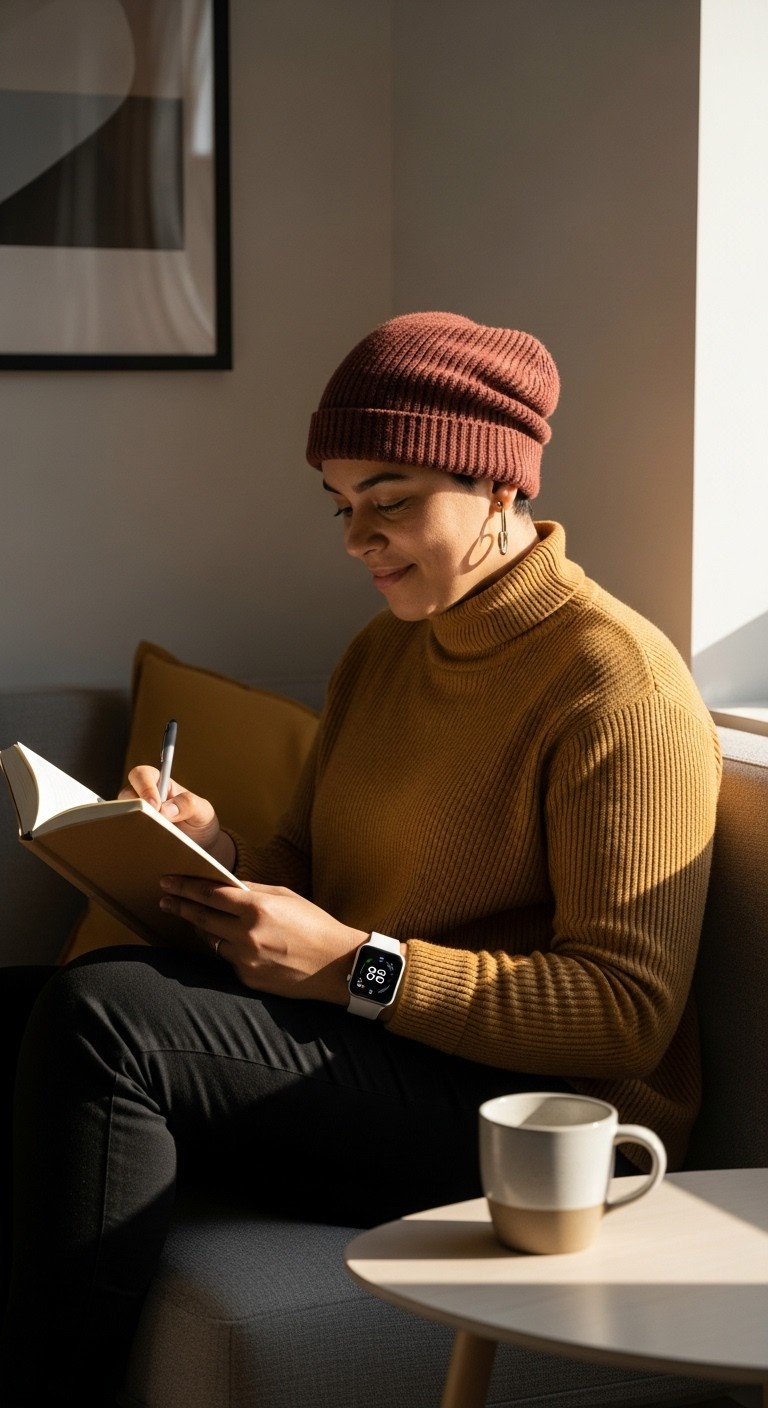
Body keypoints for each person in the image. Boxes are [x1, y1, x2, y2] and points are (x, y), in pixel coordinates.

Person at [0, 311, 721, 1407]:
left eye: (390, 502)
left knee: (106, 1022)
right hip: (384, 1047)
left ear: (500, 486)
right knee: (22, 1002)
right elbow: (313, 866)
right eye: (343, 505)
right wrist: (215, 850)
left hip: (534, 1120)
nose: (356, 540)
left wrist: (353, 966)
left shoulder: (615, 683)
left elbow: (624, 1014)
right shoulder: (385, 649)